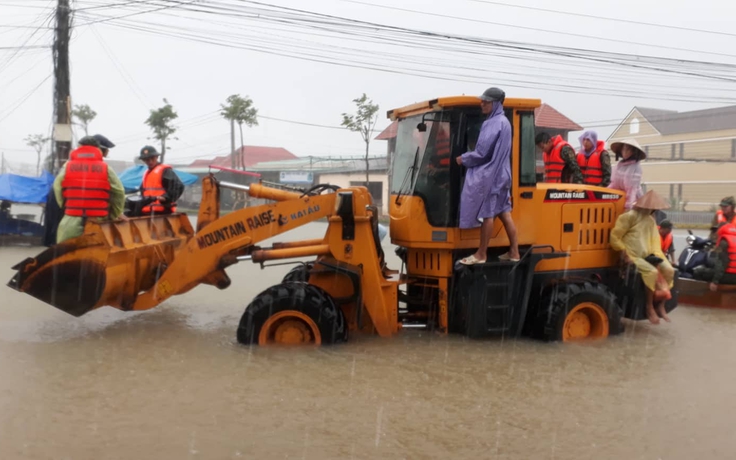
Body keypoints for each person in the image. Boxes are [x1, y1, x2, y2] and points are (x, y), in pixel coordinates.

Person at [456, 87, 519, 264]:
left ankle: (481, 254)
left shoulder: (492, 123)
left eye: (486, 101)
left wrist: (463, 158)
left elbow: (482, 153)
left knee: (487, 214)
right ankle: (514, 251)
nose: (482, 103)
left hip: (493, 175)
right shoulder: (504, 122)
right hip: (503, 174)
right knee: (505, 213)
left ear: (496, 103)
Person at [610, 190, 674, 325]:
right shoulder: (628, 217)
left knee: (669, 270)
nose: (653, 210)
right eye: (652, 208)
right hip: (633, 256)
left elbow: (655, 242)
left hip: (650, 255)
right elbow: (615, 237)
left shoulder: (651, 220)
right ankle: (649, 306)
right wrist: (624, 253)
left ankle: (660, 304)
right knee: (651, 272)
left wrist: (659, 258)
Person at [53, 136, 126, 243]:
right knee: (97, 252)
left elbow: (57, 188)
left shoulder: (67, 167)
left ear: (79, 148)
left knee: (65, 251)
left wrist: (66, 207)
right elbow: (119, 192)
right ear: (98, 149)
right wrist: (114, 214)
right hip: (98, 219)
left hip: (72, 218)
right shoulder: (106, 168)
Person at [138, 145, 184, 216]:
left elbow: (178, 186)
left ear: (156, 157)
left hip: (163, 211)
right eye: (147, 159)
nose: (150, 161)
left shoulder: (165, 171)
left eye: (152, 158)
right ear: (143, 160)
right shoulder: (146, 174)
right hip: (148, 211)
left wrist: (166, 198)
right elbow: (143, 191)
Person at [609, 138, 646, 211]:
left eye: (628, 149)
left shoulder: (636, 167)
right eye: (623, 149)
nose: (624, 152)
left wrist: (628, 207)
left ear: (633, 152)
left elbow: (632, 189)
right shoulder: (618, 166)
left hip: (634, 202)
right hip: (619, 200)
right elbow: (613, 184)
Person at [707, 222, 736, 291]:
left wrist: (715, 281)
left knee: (698, 271)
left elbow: (721, 265)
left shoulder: (723, 242)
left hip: (730, 275)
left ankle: (707, 296)